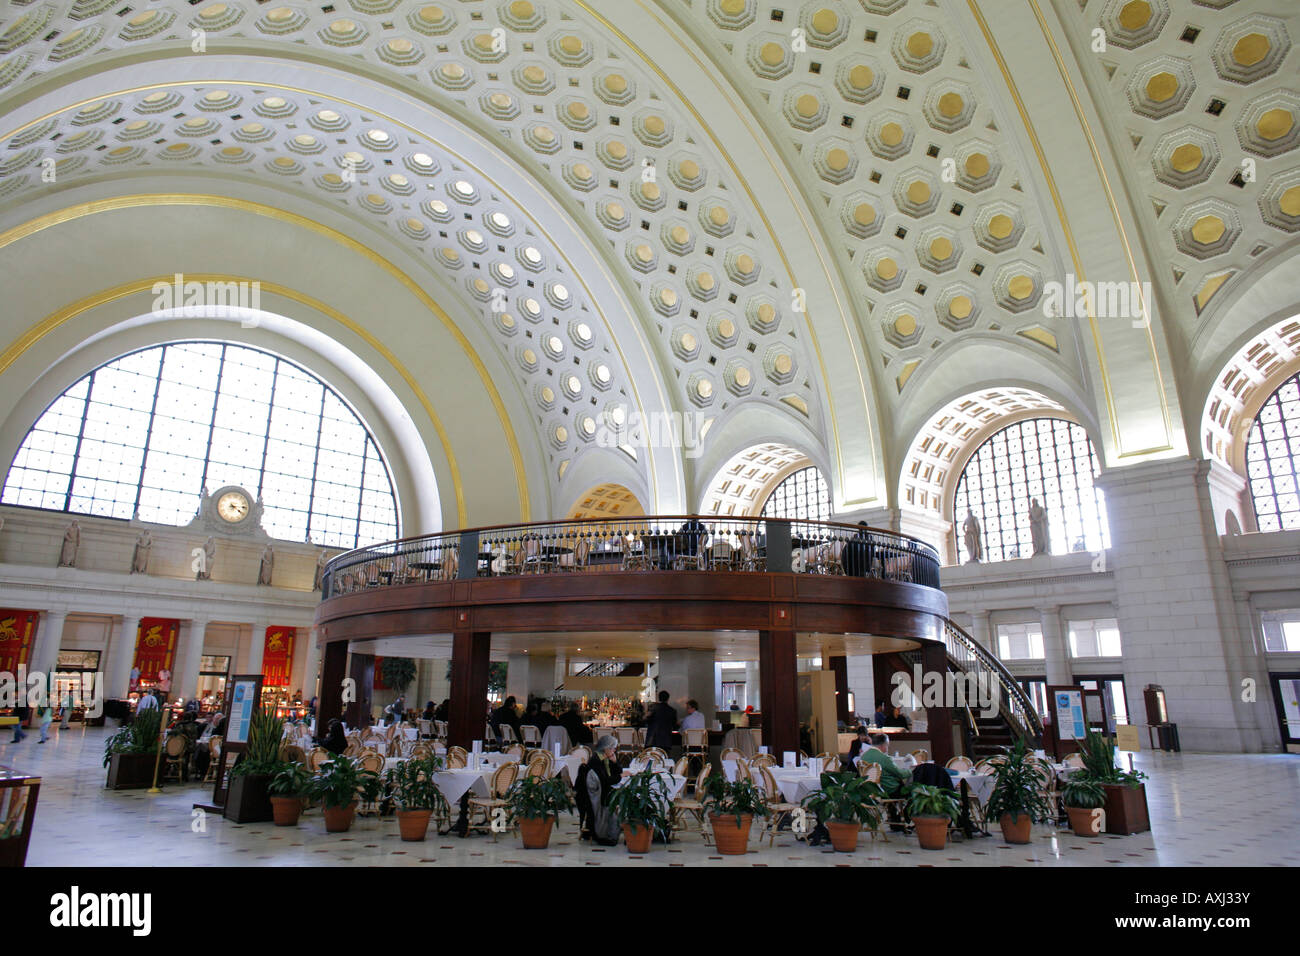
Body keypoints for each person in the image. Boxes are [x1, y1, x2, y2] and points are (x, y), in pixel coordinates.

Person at [575, 735, 621, 845]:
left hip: (603, 791)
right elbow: (605, 781)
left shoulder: (604, 758)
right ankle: (615, 828)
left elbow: (616, 772)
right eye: (613, 748)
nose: (614, 750)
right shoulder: (596, 761)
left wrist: (615, 762)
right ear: (606, 748)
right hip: (598, 795)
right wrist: (620, 776)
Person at [857, 734, 911, 798]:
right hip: (887, 790)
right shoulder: (884, 758)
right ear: (884, 745)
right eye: (887, 745)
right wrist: (910, 770)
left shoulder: (864, 756)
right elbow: (900, 774)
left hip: (870, 789)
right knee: (909, 790)